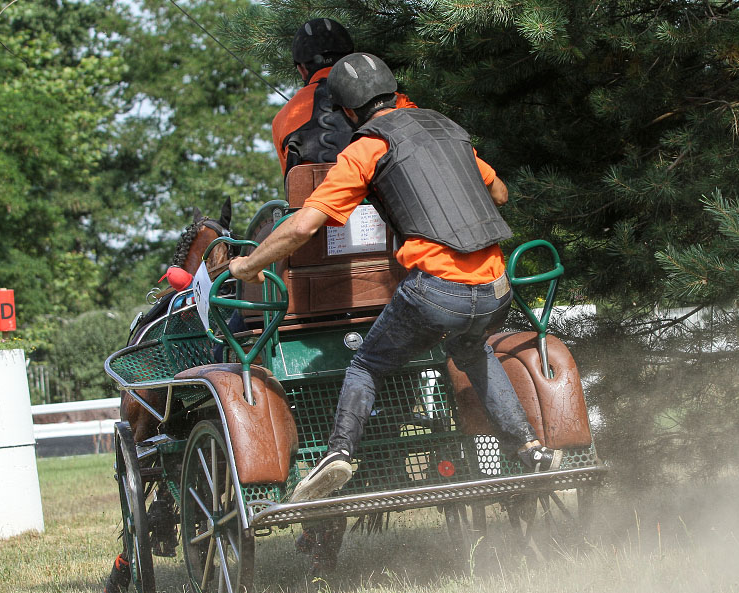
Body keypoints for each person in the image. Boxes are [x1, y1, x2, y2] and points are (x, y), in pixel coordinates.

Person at [230, 52, 561, 504]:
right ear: (392, 90)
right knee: (473, 351)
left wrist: (247, 265)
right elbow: (499, 192)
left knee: (367, 364)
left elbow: (305, 225)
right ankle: (531, 448)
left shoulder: (367, 147)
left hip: (436, 293)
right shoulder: (445, 130)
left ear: (348, 112)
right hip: (495, 291)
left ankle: (338, 454)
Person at [271, 19, 415, 177]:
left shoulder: (283, 117)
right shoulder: (394, 100)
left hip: (314, 199)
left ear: (302, 70)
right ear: (352, 58)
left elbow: (291, 181)